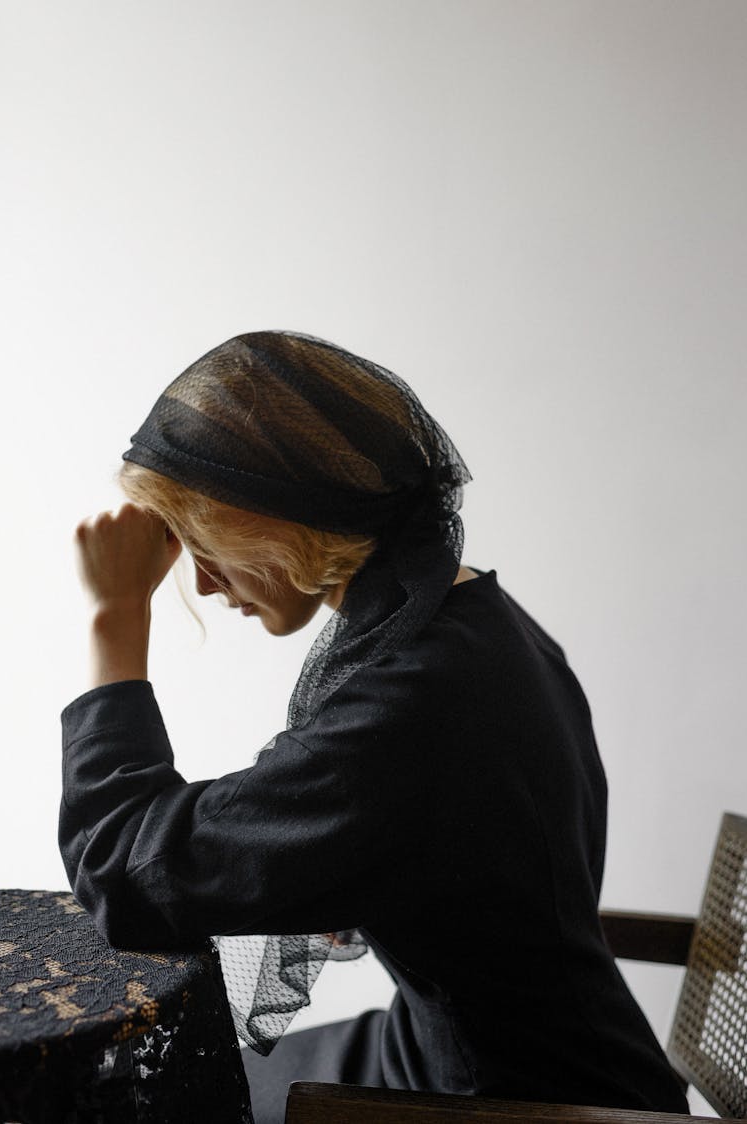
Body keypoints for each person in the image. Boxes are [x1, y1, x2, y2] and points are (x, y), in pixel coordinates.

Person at [60, 331, 689, 1124]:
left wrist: (115, 618)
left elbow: (127, 876)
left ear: (288, 516)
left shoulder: (416, 700)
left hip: (520, 1105)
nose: (205, 581)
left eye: (206, 540)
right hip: (480, 1057)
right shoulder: (474, 621)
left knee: (139, 1097)